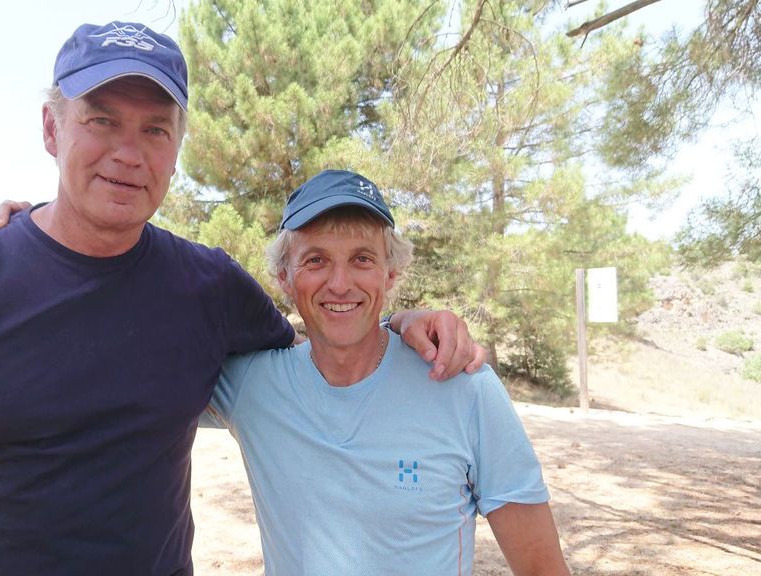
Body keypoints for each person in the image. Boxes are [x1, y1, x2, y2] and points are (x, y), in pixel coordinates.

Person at [0, 21, 482, 575]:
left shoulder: (208, 289)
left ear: (178, 146)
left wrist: (398, 321)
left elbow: (317, 367)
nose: (129, 151)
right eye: (102, 121)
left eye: (156, 128)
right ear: (52, 128)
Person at [199, 169, 570, 575]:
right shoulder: (251, 385)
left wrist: (398, 320)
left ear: (390, 273)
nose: (340, 284)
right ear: (284, 277)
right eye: (316, 260)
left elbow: (542, 568)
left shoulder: (463, 383)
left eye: (362, 259)